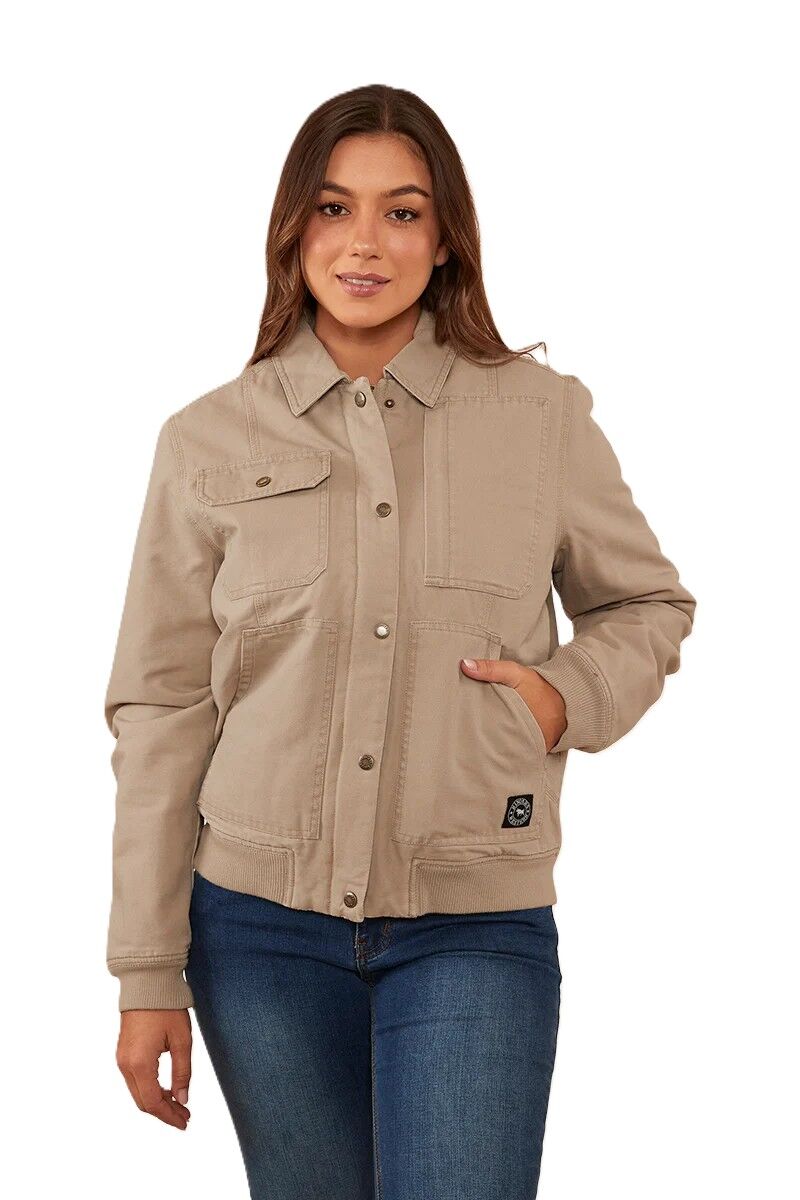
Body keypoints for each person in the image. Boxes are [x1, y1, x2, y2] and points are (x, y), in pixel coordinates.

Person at [104, 84, 696, 1199]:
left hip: (474, 924)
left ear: (445, 238)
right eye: (334, 208)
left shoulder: (540, 418)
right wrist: (146, 971)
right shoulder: (208, 440)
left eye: (402, 212)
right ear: (294, 230)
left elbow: (646, 605)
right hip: (256, 935)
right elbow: (162, 706)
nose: (364, 243)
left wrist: (560, 697)